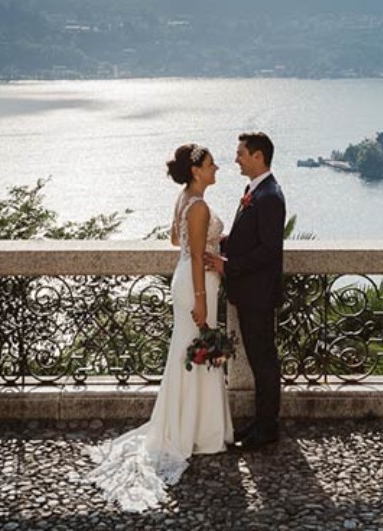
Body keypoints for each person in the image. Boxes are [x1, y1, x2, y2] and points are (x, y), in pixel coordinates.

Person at [83, 144, 233, 512]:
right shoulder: (198, 206)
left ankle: (189, 427)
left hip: (185, 279)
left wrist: (208, 242)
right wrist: (201, 298)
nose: (216, 168)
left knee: (189, 354)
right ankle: (197, 433)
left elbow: (176, 240)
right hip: (196, 285)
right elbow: (194, 255)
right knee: (195, 355)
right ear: (196, 170)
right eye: (211, 164)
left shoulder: (184, 199)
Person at [204, 131, 286, 450]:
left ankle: (267, 428)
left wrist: (228, 266)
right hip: (251, 293)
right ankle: (260, 423)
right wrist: (227, 243)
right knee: (258, 360)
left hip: (258, 295)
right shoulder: (255, 190)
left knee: (264, 362)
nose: (236, 159)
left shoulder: (270, 196)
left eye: (241, 153)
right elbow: (252, 238)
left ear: (257, 156)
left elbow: (268, 250)